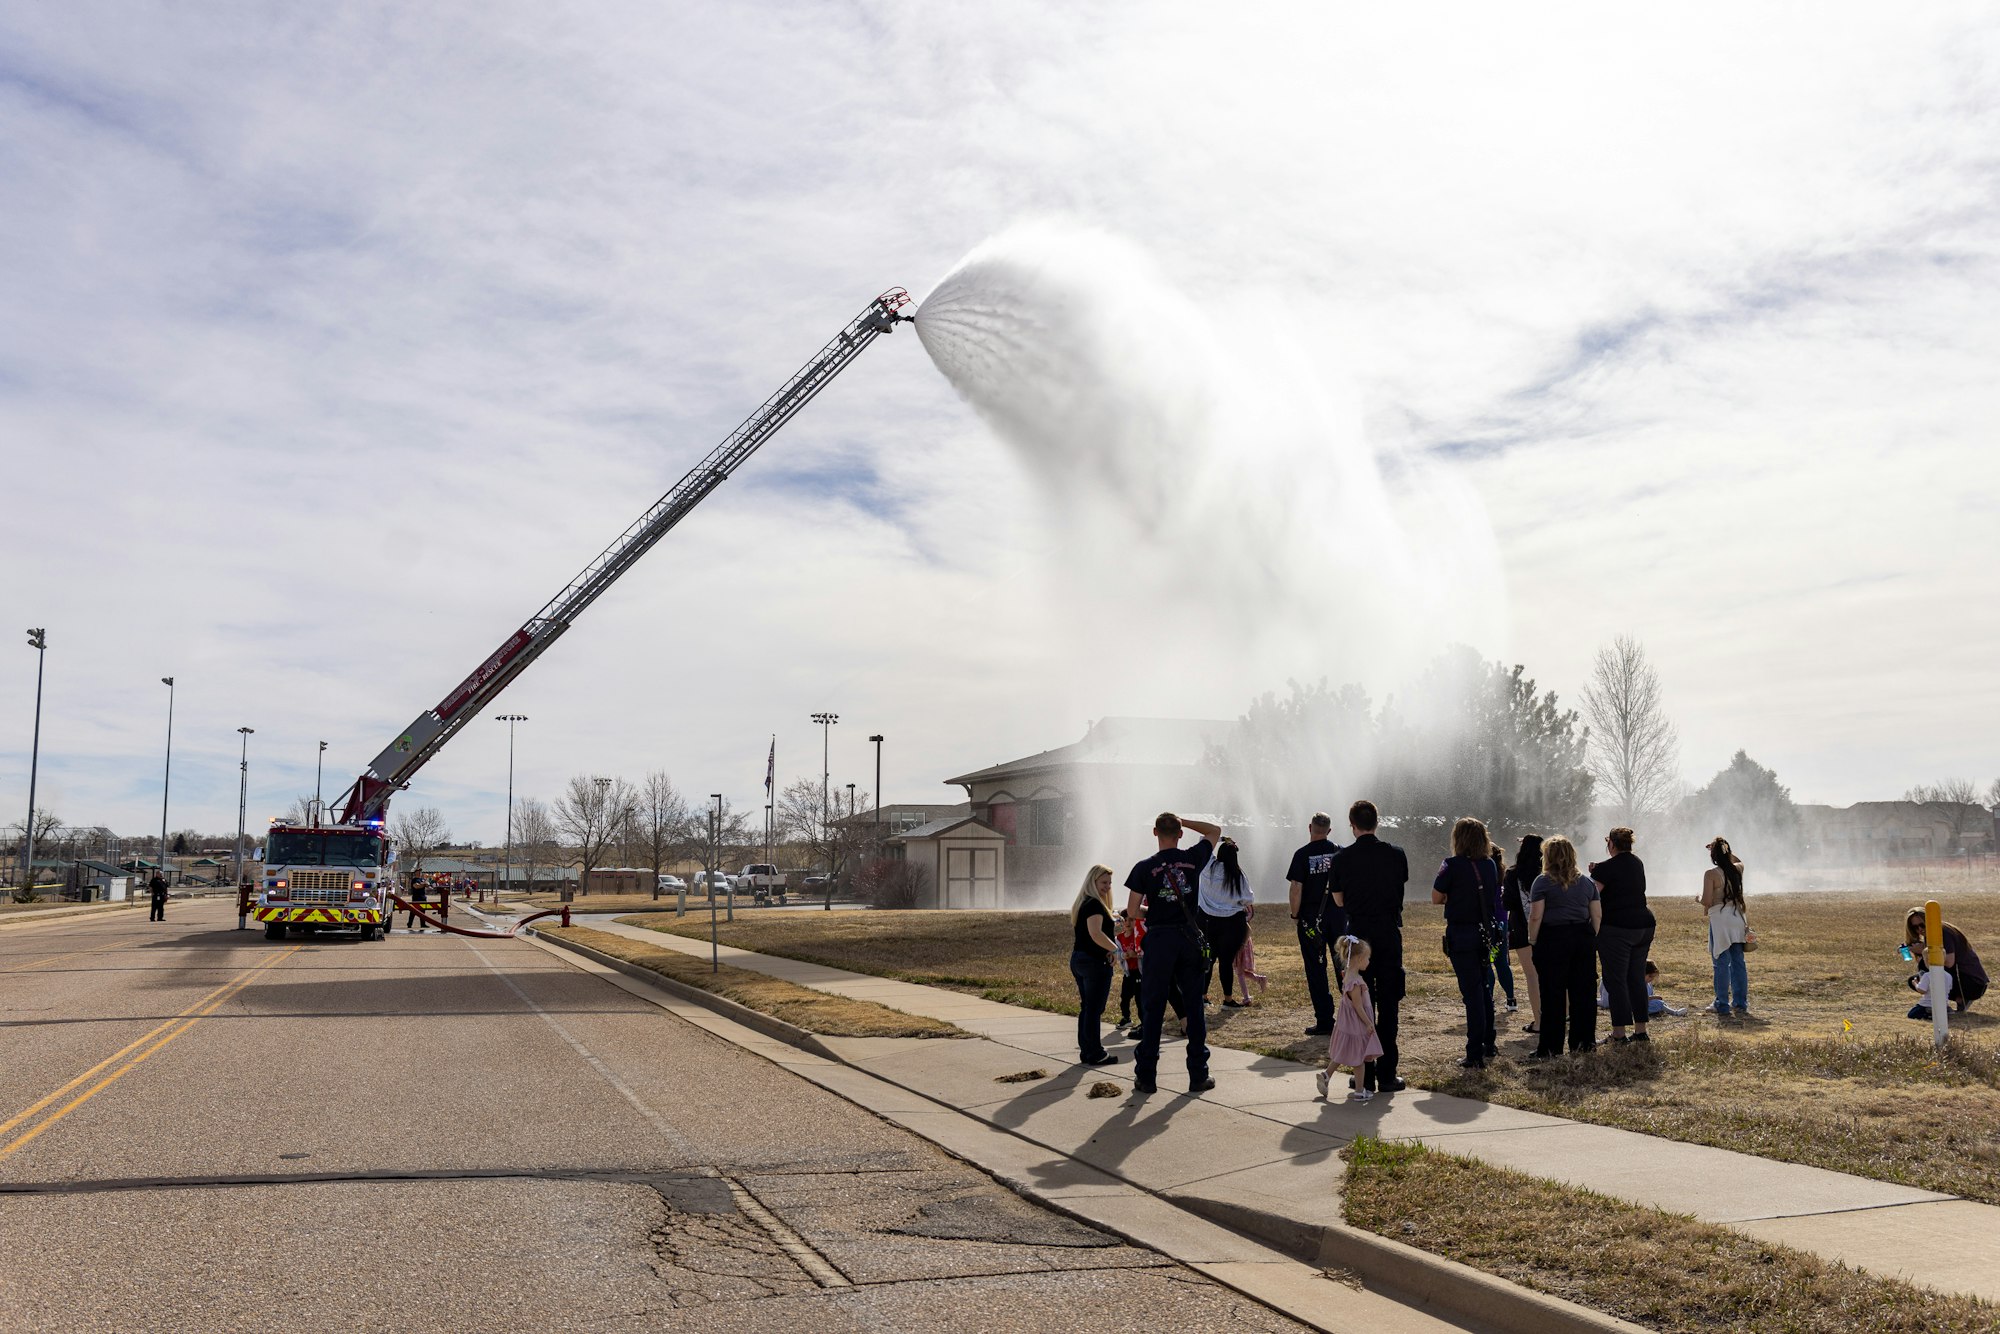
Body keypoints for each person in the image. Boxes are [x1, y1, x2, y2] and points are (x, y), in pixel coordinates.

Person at [1124, 812, 1221, 1095]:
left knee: (1153, 1008)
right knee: (1194, 1007)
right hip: (1188, 939)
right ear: (1180, 834)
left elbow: (1132, 911)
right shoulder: (1193, 858)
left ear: (1155, 832)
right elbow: (1214, 830)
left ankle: (1147, 1076)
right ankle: (1198, 1075)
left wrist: (1151, 911)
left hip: (1159, 940)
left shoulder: (1144, 868)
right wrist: (1185, 822)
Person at [1330, 800, 1410, 1093]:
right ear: (1377, 822)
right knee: (1389, 1003)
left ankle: (1365, 1072)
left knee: (1361, 1004)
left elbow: (1338, 900)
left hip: (1359, 935)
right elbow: (1399, 886)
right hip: (1388, 932)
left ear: (1352, 825)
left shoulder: (1341, 859)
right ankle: (1388, 1074)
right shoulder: (1396, 855)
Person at [1433, 817, 1501, 1069]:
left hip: (1462, 934)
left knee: (1471, 994)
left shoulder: (1450, 865)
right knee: (1485, 990)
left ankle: (1474, 1053)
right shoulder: (1490, 865)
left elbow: (1435, 897)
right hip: (1486, 933)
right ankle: (1489, 1043)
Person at [1527, 835, 1601, 1058]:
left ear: (1547, 856)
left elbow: (1536, 916)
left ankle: (1550, 1047)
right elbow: (1596, 913)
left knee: (1552, 994)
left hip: (1553, 937)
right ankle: (1583, 1043)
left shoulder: (1542, 881)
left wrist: (1533, 940)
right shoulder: (1587, 882)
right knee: (1583, 993)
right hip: (1582, 936)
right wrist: (1591, 936)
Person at [1592, 827, 1655, 1044]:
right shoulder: (1637, 862)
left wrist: (1594, 872)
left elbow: (1593, 895)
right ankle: (1640, 1030)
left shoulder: (1604, 868)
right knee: (1636, 977)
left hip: (1617, 928)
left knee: (1615, 979)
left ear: (1611, 843)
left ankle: (1618, 1033)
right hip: (1644, 925)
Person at [1286, 813, 1344, 1036]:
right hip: (1339, 916)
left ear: (1310, 827)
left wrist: (1295, 915)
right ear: (1329, 830)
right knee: (1344, 966)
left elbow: (1296, 888)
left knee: (1316, 968)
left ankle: (1324, 1021)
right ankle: (1353, 1015)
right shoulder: (1341, 851)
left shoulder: (1302, 854)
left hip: (1311, 919)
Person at [1317, 936, 1384, 1101]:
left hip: (1347, 1024)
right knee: (1359, 1059)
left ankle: (1326, 1074)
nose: (1369, 961)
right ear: (1359, 959)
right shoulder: (1355, 982)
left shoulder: (1347, 976)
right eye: (1367, 958)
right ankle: (1360, 1091)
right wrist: (1368, 1023)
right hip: (1357, 1025)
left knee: (1343, 1052)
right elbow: (1358, 1007)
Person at [1068, 865, 1120, 1066]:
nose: (1107, 887)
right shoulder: (1094, 905)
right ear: (1093, 882)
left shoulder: (1085, 903)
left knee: (1088, 1008)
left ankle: (1087, 1051)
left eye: (1109, 883)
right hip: (1093, 963)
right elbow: (1096, 934)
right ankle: (1096, 1053)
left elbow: (1094, 935)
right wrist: (1115, 949)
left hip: (1080, 959)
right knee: (1094, 1009)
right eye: (1103, 883)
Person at [1198, 837, 1255, 1008]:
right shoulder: (1238, 875)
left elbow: (1204, 841)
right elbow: (1248, 898)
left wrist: (1221, 838)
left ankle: (1203, 995)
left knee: (1208, 959)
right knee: (1226, 962)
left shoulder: (1207, 868)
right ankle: (1228, 999)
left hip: (1206, 922)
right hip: (1232, 924)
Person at [1903, 909, 1987, 1017]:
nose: (1919, 929)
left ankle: (1941, 1005)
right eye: (1914, 927)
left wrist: (1922, 950)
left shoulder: (1943, 932)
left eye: (1922, 925)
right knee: (1915, 979)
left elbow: (1949, 962)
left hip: (1972, 983)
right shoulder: (1932, 933)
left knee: (1925, 971)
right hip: (1965, 980)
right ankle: (1959, 1000)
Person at [1700, 837, 1749, 1017]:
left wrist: (1698, 899)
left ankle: (1721, 1003)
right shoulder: (1738, 869)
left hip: (1720, 920)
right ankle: (1740, 1002)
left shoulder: (1711, 874)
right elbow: (1739, 861)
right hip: (1737, 916)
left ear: (1713, 855)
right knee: (1738, 961)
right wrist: (1724, 850)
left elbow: (1707, 900)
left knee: (1721, 962)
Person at [1114, 913, 1185, 1030]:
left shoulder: (1139, 935)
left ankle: (1144, 1023)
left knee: (1140, 998)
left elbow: (1145, 952)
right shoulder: (1119, 939)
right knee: (1125, 997)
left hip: (1140, 972)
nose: (1127, 923)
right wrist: (1123, 955)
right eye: (1125, 920)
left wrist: (1136, 955)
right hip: (1128, 973)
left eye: (1131, 920)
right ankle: (1126, 1018)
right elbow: (1116, 953)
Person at [1504, 835, 1544, 1036]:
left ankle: (1539, 1021)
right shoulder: (1548, 873)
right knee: (1554, 973)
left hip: (1522, 930)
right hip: (1548, 929)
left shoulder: (1512, 874)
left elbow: (1507, 903)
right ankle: (1562, 1015)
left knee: (1532, 976)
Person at [1485, 842, 1517, 1014]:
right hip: (1503, 924)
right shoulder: (1503, 874)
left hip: (1490, 924)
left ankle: (1488, 996)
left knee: (1488, 962)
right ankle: (1511, 998)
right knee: (1502, 963)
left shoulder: (1485, 873)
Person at [1599, 961, 1684, 1017]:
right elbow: (1637, 997)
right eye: (1650, 976)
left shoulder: (1648, 984)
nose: (1651, 979)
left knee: (1658, 1003)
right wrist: (1655, 997)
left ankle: (1671, 1011)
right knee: (1659, 1003)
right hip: (1631, 1006)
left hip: (1639, 1004)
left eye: (1653, 977)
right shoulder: (1634, 983)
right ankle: (1674, 1012)